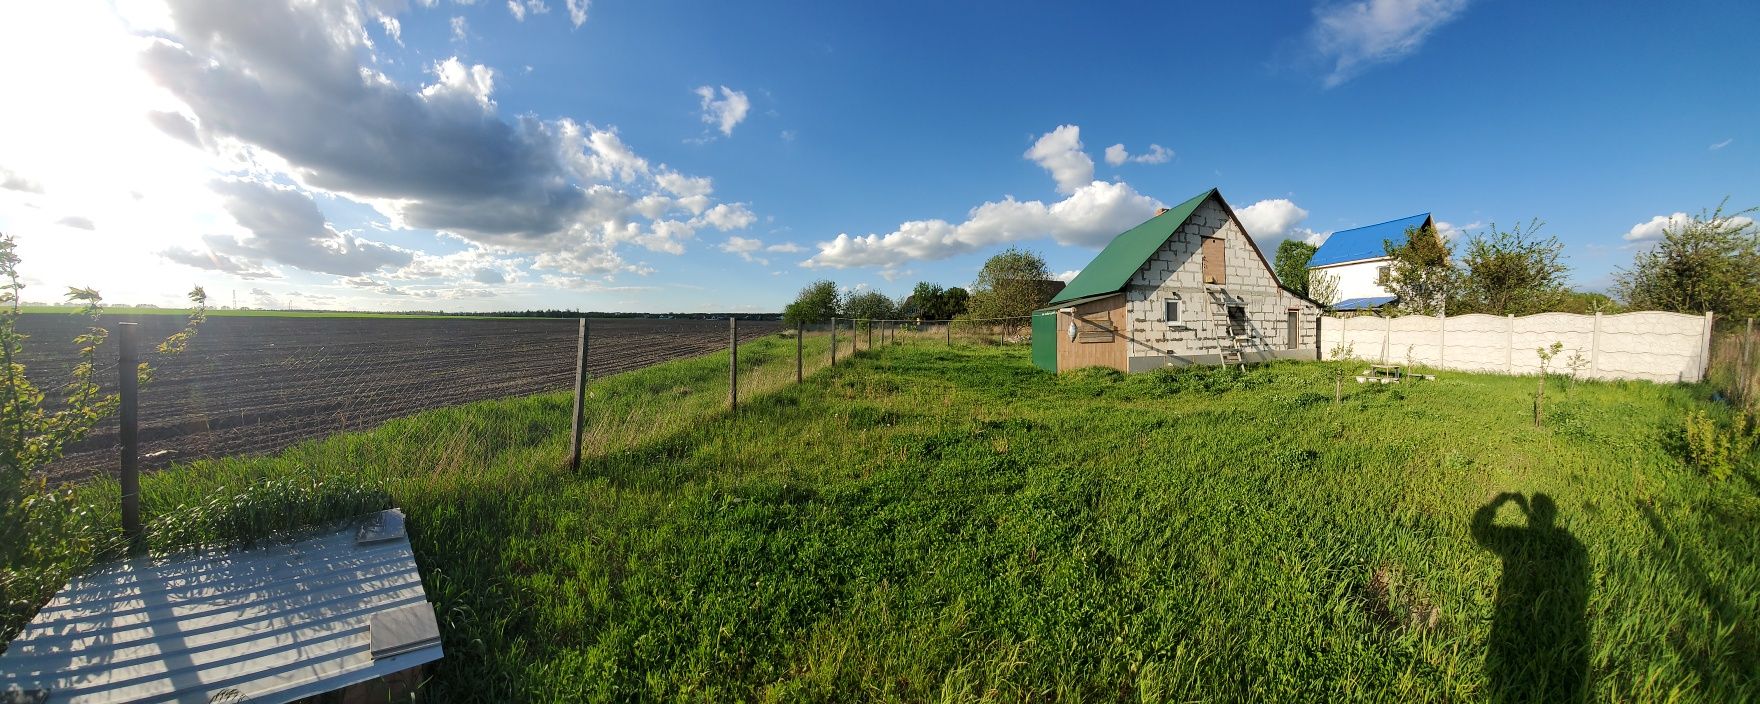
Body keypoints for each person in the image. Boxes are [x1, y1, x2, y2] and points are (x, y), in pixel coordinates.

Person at [1471, 492, 1590, 703]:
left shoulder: (1565, 543)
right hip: (1561, 640)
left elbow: (1481, 533)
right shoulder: (1573, 544)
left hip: (1516, 620)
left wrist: (1495, 505)